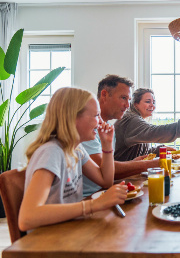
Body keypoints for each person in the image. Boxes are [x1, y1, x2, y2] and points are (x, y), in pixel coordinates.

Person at [19, 88, 127, 232]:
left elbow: (105, 180)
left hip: (67, 229)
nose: (100, 122)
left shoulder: (75, 149)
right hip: (46, 241)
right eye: (96, 115)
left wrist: (107, 146)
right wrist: (94, 205)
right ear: (72, 118)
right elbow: (27, 218)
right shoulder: (51, 152)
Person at [82, 75, 159, 197]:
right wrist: (150, 164)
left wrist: (133, 163)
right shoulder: (86, 130)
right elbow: (103, 170)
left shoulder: (107, 128)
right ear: (104, 95)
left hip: (102, 194)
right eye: (123, 98)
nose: (127, 105)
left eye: (128, 99)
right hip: (89, 198)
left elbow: (108, 171)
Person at [114, 88, 180, 161]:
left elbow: (141, 152)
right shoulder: (130, 119)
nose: (152, 105)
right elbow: (153, 132)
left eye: (153, 102)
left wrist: (158, 150)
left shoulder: (136, 120)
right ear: (135, 104)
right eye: (148, 101)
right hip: (122, 177)